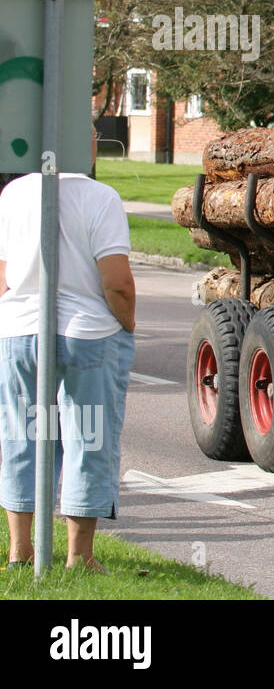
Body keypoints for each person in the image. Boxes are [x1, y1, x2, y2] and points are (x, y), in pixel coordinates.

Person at [0, 133, 136, 572]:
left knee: (21, 436)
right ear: (84, 144)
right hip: (87, 337)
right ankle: (79, 555)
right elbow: (115, 281)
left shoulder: (14, 193)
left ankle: (20, 551)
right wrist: (128, 323)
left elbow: (3, 275)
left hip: (20, 331)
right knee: (87, 438)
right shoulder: (101, 198)